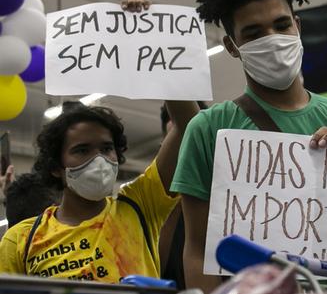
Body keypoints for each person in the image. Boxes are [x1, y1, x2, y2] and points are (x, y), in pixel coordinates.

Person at [171, 0, 327, 292]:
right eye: (254, 32)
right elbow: (199, 250)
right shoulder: (208, 130)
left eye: (281, 24)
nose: (272, 39)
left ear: (297, 26)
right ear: (232, 46)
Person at [0, 99, 196, 281]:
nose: (99, 160)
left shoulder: (140, 204)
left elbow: (190, 126)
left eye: (106, 148)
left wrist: (168, 71)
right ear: (56, 167)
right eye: (82, 150)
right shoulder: (21, 240)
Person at [158, 102, 206, 289]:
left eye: (193, 142)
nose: (187, 154)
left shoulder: (231, 201)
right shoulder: (154, 206)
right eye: (179, 145)